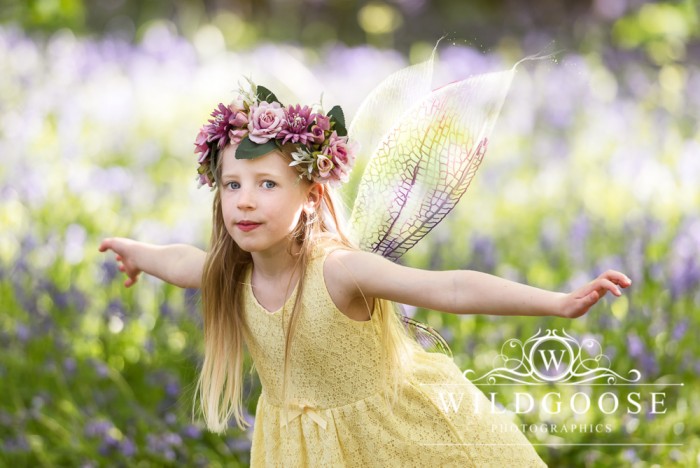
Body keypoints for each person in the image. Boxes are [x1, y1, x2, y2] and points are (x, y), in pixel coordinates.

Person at [99, 82, 631, 467]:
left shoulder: (337, 271)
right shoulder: (227, 276)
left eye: (267, 184)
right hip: (303, 452)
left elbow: (447, 287)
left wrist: (558, 302)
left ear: (310, 197)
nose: (244, 201)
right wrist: (135, 252)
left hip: (402, 437)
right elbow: (177, 261)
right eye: (232, 185)